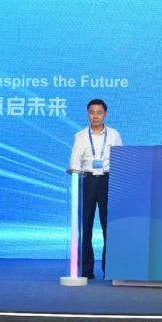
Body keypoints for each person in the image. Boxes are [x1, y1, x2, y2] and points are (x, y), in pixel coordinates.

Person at [69, 99, 123, 279]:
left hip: (108, 180)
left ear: (105, 114)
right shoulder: (80, 136)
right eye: (92, 112)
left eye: (99, 112)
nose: (95, 116)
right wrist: (75, 172)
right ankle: (86, 269)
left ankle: (111, 268)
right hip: (87, 180)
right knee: (85, 226)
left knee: (110, 226)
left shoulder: (114, 134)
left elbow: (121, 158)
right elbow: (75, 159)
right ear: (88, 114)